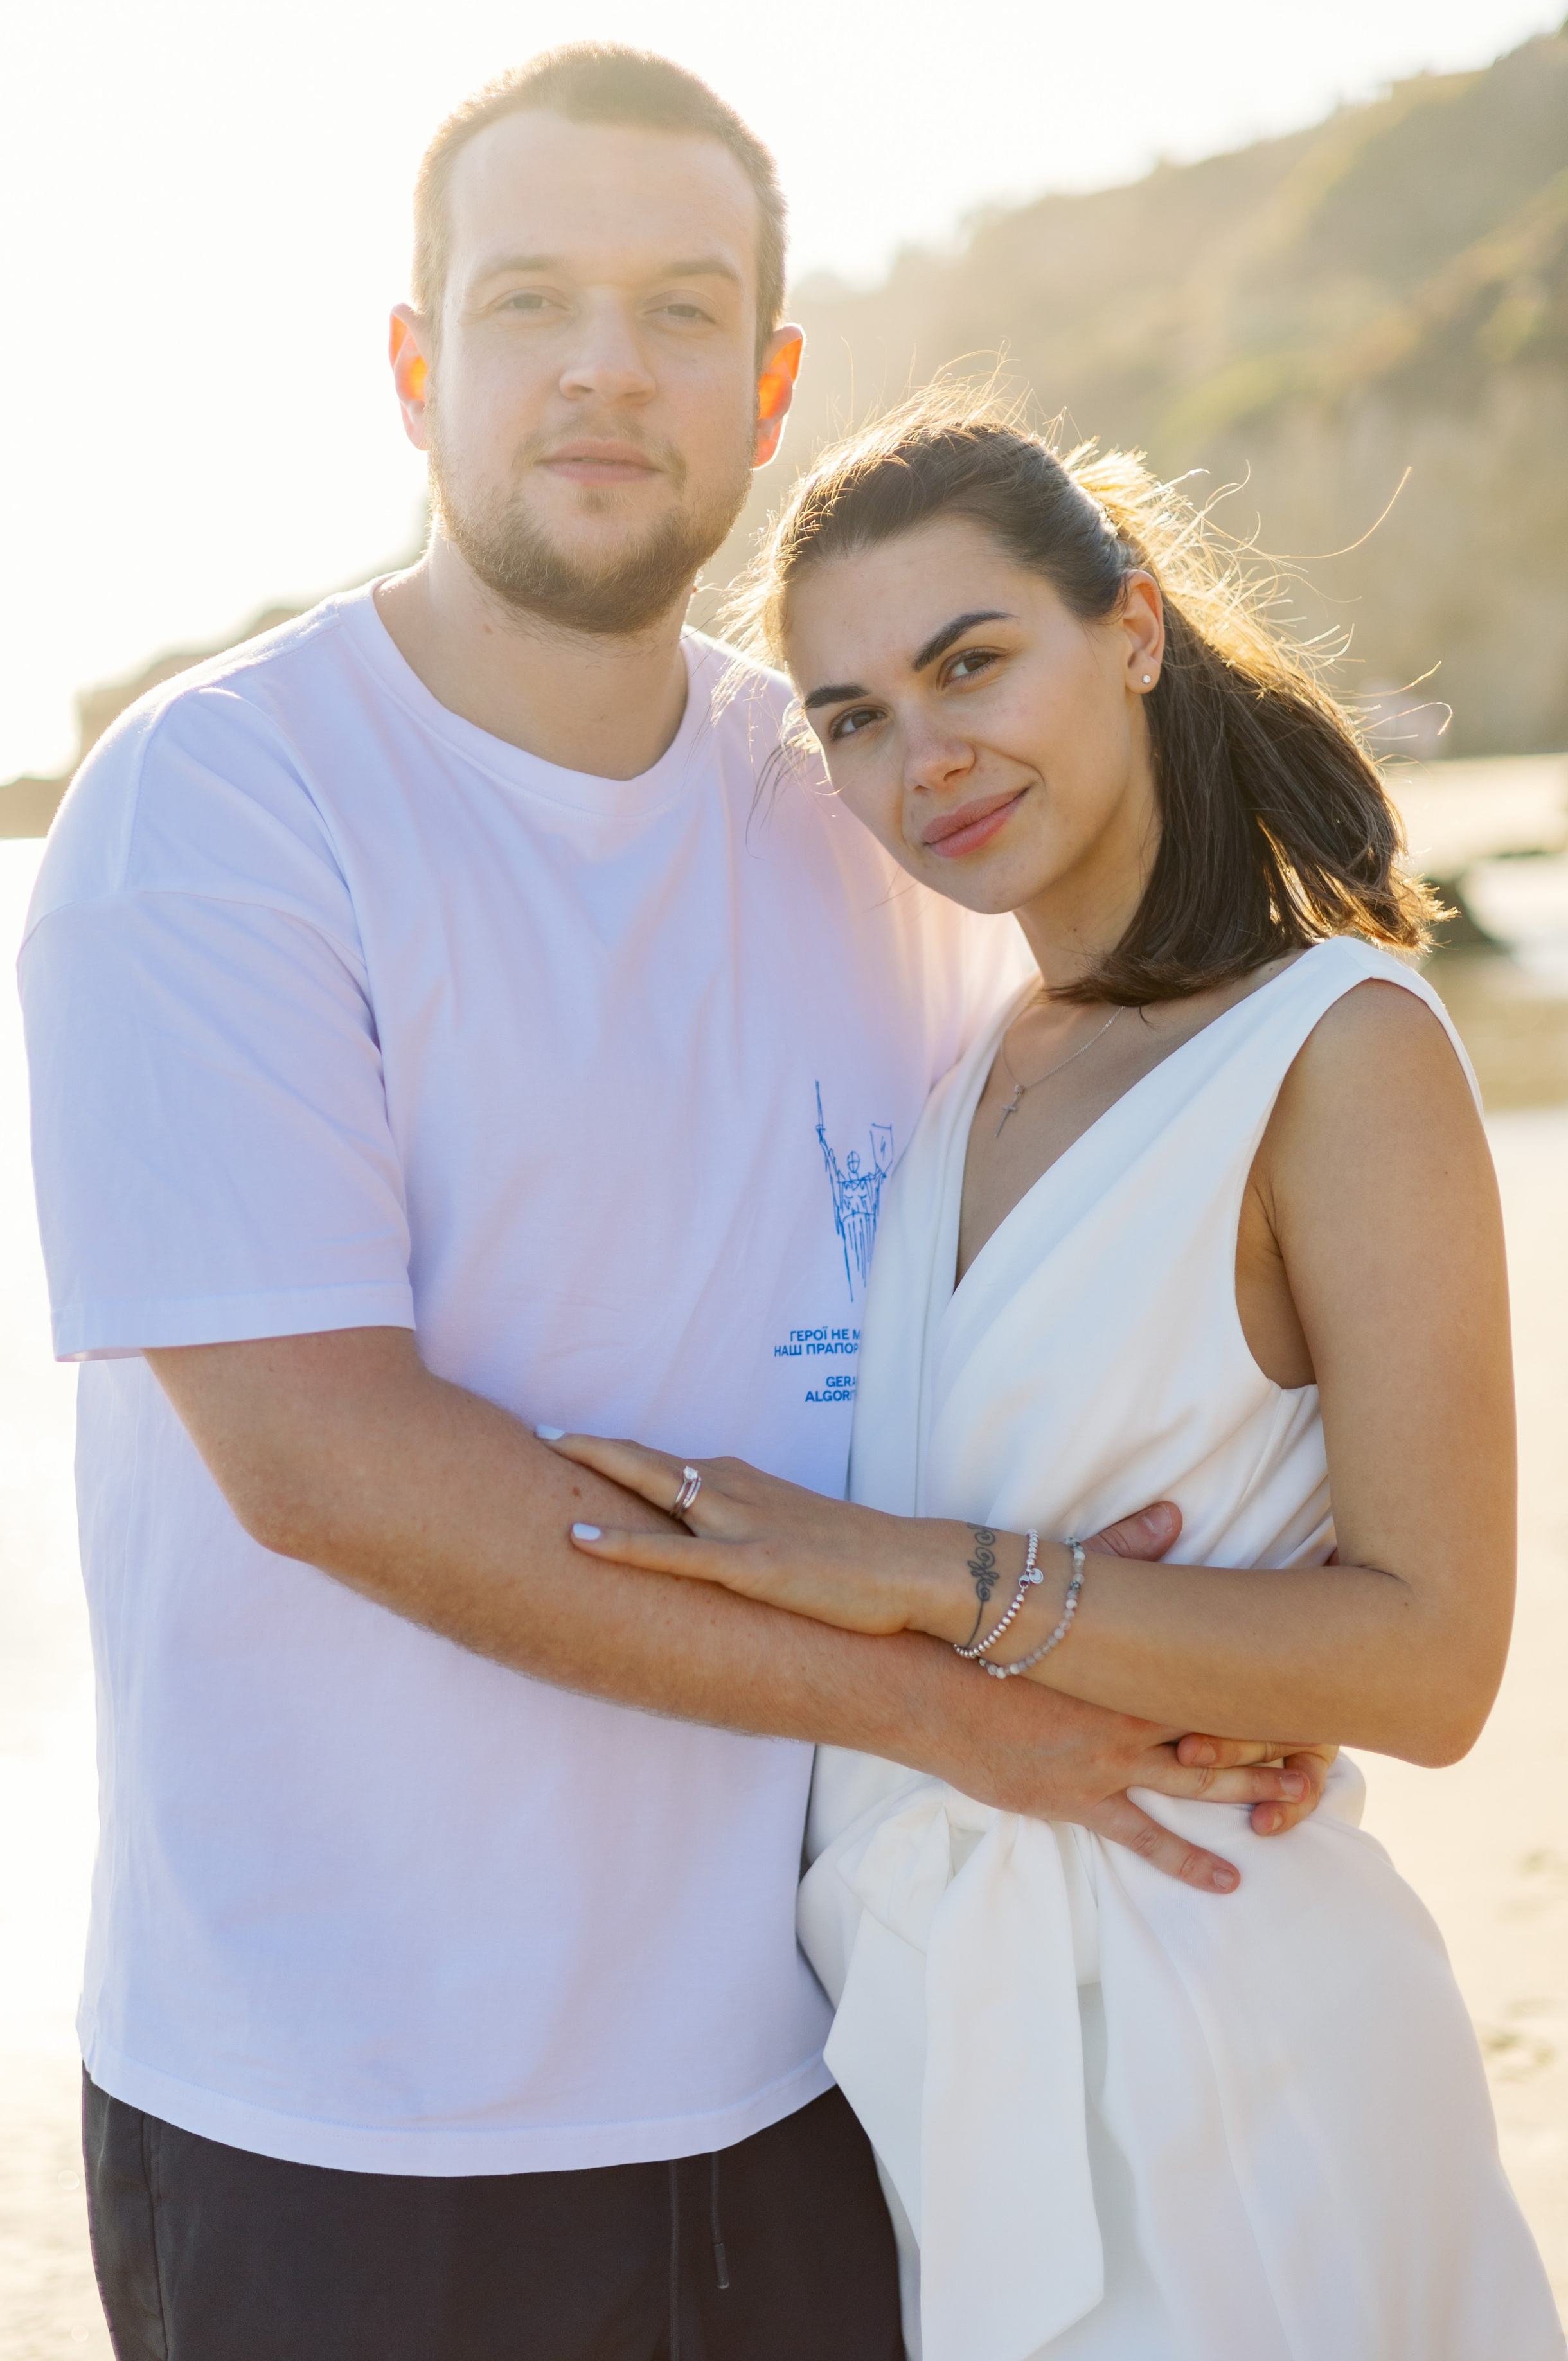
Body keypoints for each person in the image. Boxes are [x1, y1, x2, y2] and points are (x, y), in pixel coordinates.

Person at [21, 53, 1323, 2361]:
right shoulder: (217, 808)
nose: (607, 365)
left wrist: (1208, 1622)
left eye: (679, 307)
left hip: (815, 2057)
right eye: (530, 302)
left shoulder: (857, 806)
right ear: (417, 369)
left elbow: (1060, 1238)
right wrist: (970, 1708)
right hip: (351, 2119)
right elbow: (331, 1465)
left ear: (770, 382)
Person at [547, 399, 1565, 2360]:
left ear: (1139, 629)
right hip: (933, 2053)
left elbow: (1435, 1663)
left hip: (1224, 2036)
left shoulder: (1337, 1051)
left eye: (970, 662)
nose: (923, 758)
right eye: (849, 715)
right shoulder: (966, 1063)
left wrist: (935, 1577)